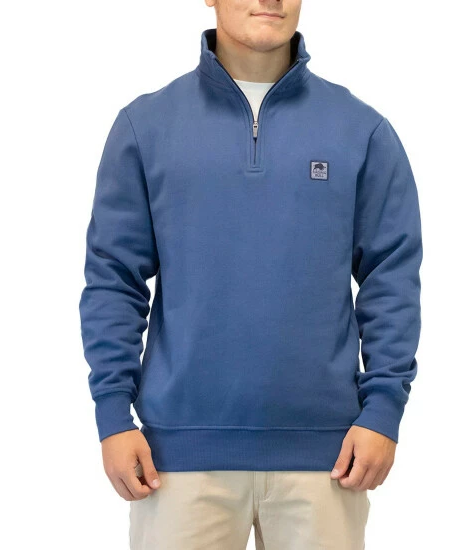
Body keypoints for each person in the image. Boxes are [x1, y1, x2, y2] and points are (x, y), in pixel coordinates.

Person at [78, 1, 423, 548]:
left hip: (329, 457)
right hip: (176, 457)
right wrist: (113, 415)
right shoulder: (146, 127)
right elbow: (113, 279)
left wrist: (383, 411)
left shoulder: (361, 130)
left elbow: (391, 277)